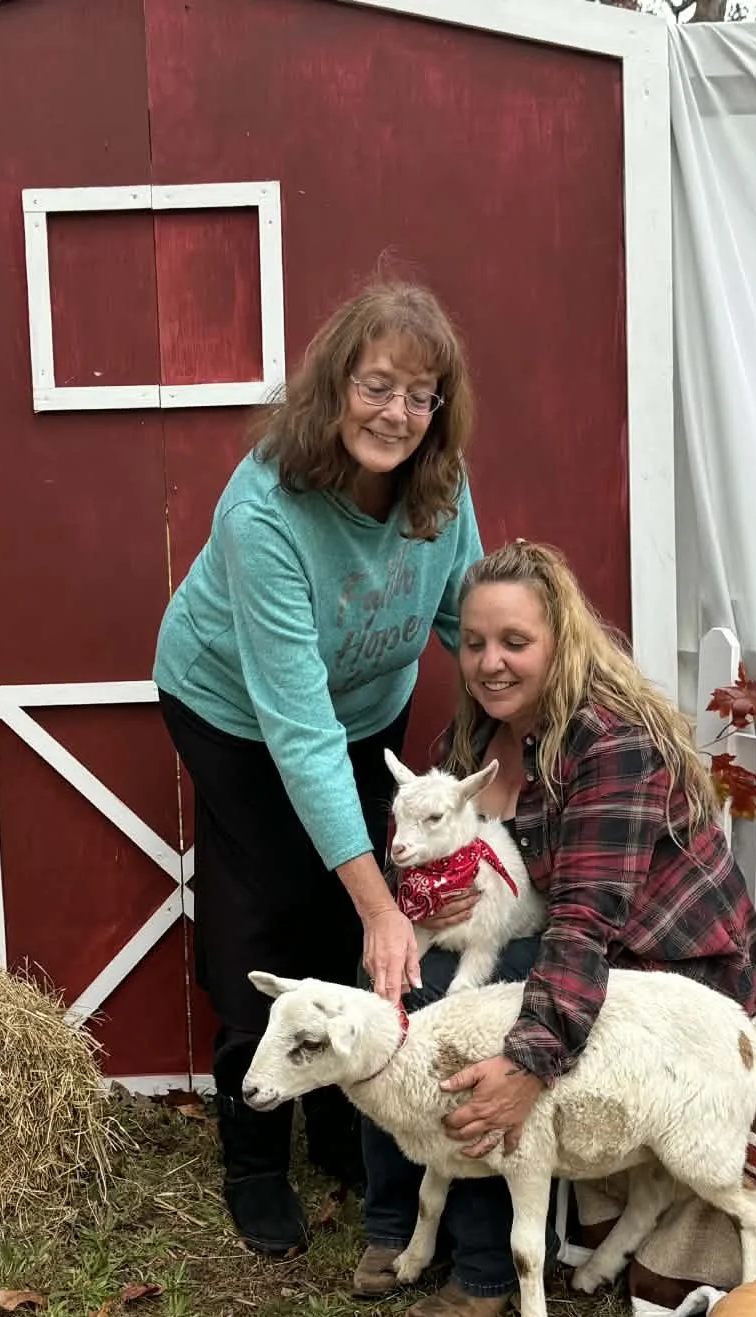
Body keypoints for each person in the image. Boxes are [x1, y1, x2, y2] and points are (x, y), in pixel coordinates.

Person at [353, 539, 756, 1317]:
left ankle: (485, 1270)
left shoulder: (609, 743)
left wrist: (529, 1062)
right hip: (557, 932)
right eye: (475, 643)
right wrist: (430, 905)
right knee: (394, 978)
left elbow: (585, 918)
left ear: (560, 643)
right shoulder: (468, 745)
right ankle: (395, 1218)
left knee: (480, 1014)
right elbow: (451, 857)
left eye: (515, 642)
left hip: (666, 960)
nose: (491, 663)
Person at [154, 280, 486, 1256]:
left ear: (438, 410)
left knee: (347, 918)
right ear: (334, 384)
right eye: (374, 385)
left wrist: (536, 709)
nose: (394, 412)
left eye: (417, 395)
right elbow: (294, 730)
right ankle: (253, 1157)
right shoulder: (264, 509)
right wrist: (381, 900)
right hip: (236, 715)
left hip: (363, 708)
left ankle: (343, 1118)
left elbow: (466, 624)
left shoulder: (440, 488)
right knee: (269, 911)